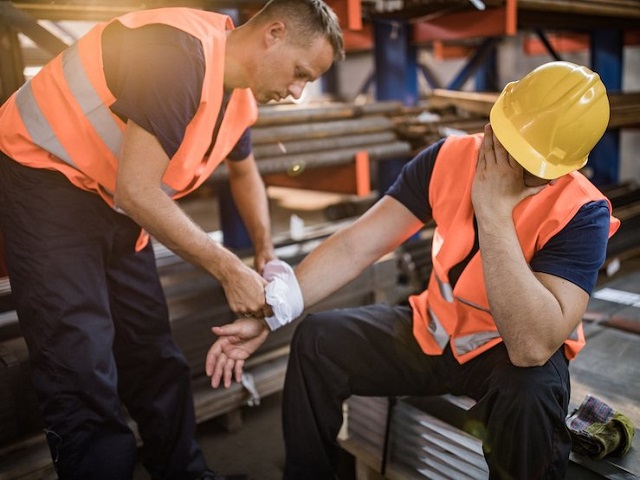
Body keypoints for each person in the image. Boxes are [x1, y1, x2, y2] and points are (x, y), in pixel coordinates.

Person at [205, 61, 620, 479]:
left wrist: (493, 209)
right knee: (316, 341)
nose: (508, 164)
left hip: (503, 359)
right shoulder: (447, 158)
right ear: (497, 121)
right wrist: (272, 311)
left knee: (532, 393)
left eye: (528, 163)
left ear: (561, 170)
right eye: (506, 144)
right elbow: (356, 245)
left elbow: (531, 346)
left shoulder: (581, 212)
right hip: (432, 334)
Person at [0, 1, 343, 479]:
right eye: (300, 73)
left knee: (152, 351)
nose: (297, 91)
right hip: (46, 179)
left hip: (113, 199)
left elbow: (245, 175)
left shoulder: (238, 94)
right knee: (80, 361)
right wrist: (229, 269)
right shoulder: (178, 52)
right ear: (274, 34)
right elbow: (138, 190)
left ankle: (185, 473)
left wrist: (264, 249)